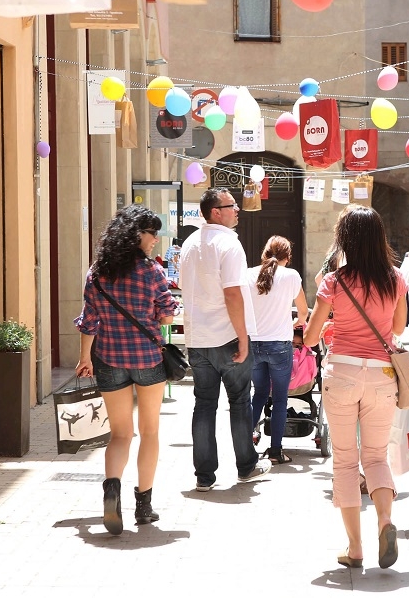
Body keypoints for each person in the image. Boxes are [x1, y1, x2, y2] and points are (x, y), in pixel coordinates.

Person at [304, 206, 408, 569]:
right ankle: (386, 520)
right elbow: (396, 329)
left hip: (343, 373)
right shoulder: (395, 279)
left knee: (346, 462)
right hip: (381, 376)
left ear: (344, 239)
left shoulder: (333, 282)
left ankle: (355, 548)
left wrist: (331, 327)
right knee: (377, 457)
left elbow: (311, 336)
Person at [74, 205, 178, 536]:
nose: (155, 241)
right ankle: (144, 506)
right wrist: (162, 314)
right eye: (152, 234)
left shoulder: (97, 272)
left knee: (120, 434)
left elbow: (89, 321)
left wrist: (84, 358)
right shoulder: (151, 272)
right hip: (147, 360)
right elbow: (166, 315)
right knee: (149, 432)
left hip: (108, 358)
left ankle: (111, 490)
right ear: (137, 235)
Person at [178, 187, 271, 491]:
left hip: (198, 338)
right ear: (215, 212)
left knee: (204, 404)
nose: (237, 210)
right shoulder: (228, 244)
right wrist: (243, 338)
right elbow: (232, 293)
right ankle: (246, 466)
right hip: (227, 336)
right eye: (232, 206)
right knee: (240, 402)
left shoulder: (190, 242)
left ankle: (204, 477)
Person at [246, 235, 309, 464]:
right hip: (280, 345)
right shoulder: (291, 276)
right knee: (281, 398)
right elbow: (303, 312)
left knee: (259, 394)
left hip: (253, 343)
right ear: (287, 257)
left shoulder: (249, 274)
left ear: (264, 253)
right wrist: (294, 324)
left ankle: (246, 447)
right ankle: (275, 452)